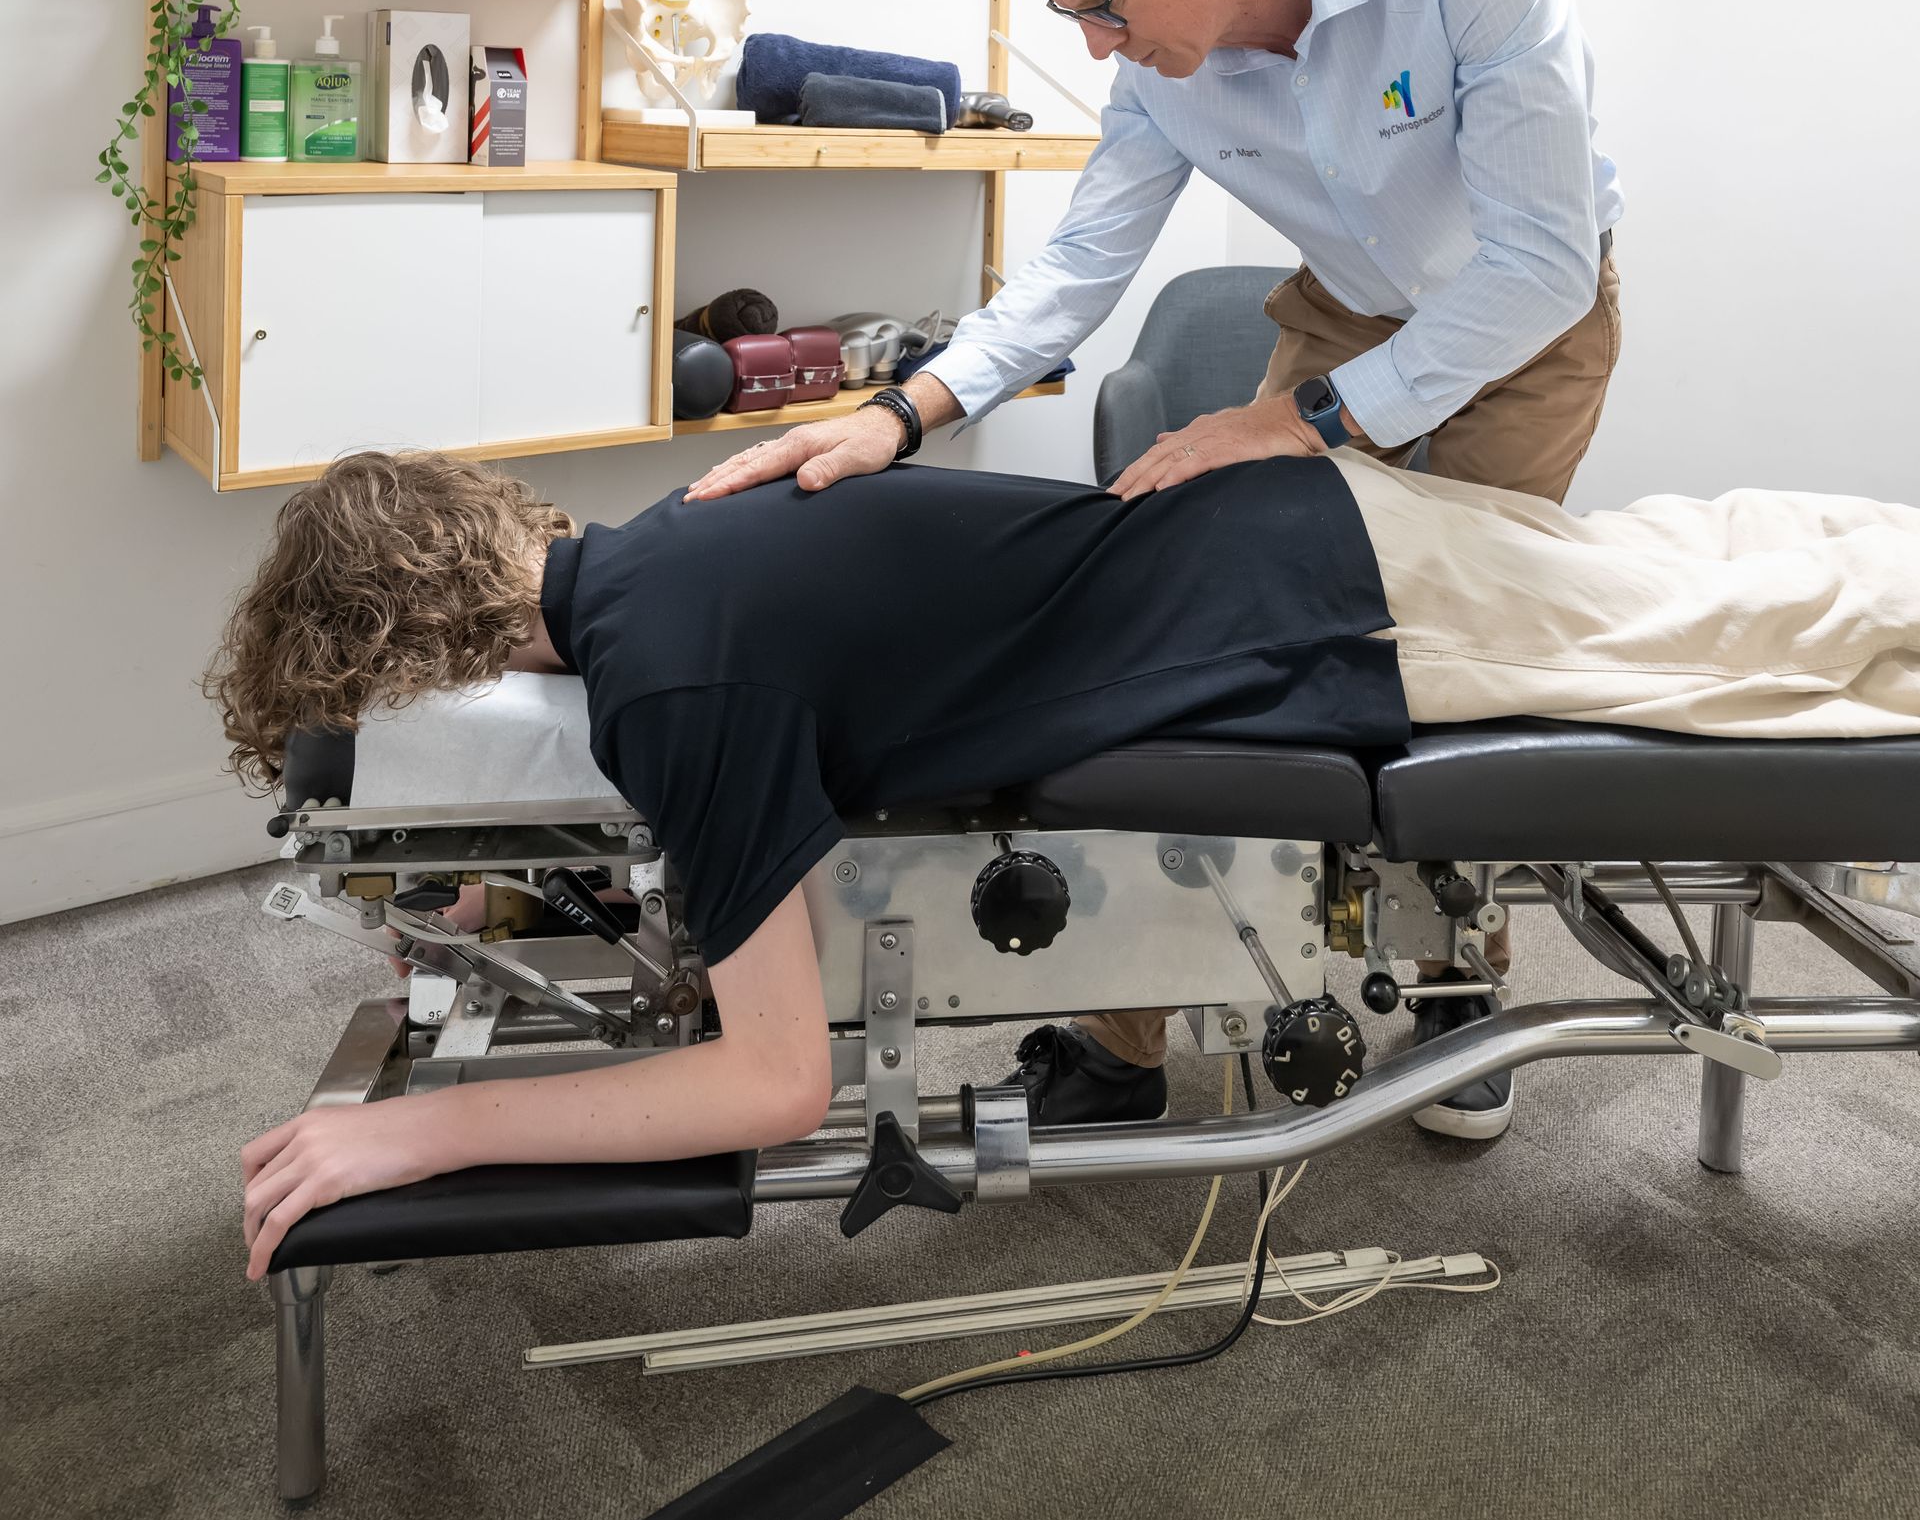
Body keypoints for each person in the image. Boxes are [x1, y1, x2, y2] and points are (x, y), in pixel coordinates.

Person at [216, 444, 1920, 1278]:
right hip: (1309, 544)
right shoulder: (661, 557)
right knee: (1752, 584)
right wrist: (492, 896)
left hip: (1344, 615)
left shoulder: (672, 685)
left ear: (428, 657)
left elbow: (769, 1082)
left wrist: (424, 1129)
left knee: (1810, 642)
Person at [685, 0, 1624, 1137]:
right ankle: (1125, 1032)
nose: (1101, 45)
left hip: (1528, 321)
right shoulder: (1161, 77)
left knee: (1440, 662)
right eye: (1073, 21)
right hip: (1350, 306)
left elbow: (1540, 265)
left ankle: (1449, 973)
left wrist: (1290, 424)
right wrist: (903, 412)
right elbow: (1076, 269)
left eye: (1101, 6)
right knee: (1216, 637)